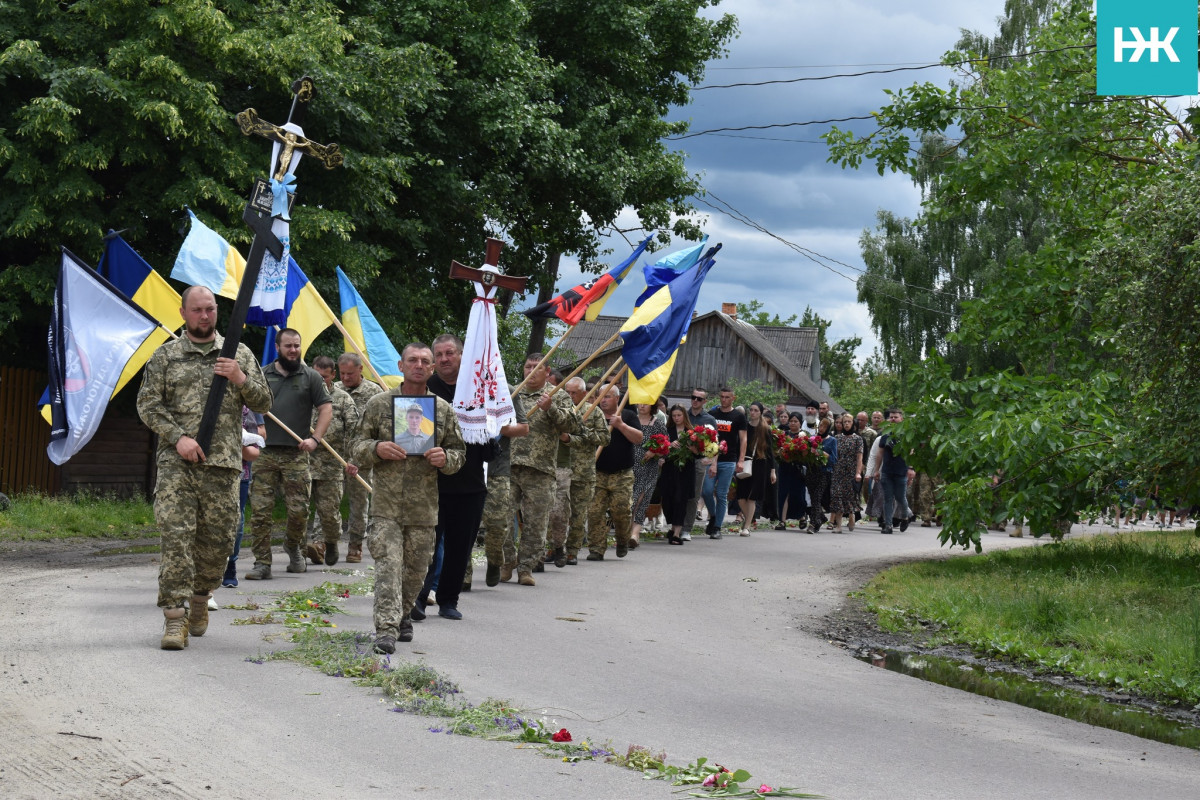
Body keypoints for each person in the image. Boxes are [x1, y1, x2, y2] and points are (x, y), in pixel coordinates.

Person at [136, 286, 271, 650]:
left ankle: (200, 596)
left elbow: (265, 400)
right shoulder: (165, 356)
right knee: (177, 537)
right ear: (183, 313)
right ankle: (175, 618)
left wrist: (240, 378)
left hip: (223, 464)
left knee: (219, 542)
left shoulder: (237, 353)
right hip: (177, 464)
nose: (205, 316)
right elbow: (148, 405)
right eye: (197, 310)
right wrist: (178, 436)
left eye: (210, 309)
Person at [352, 343, 465, 652]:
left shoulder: (442, 409)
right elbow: (356, 445)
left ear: (432, 369)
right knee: (389, 566)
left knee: (416, 572)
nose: (419, 365)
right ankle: (386, 629)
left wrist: (446, 458)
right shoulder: (378, 404)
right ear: (400, 366)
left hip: (424, 508)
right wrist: (376, 449)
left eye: (425, 361)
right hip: (386, 504)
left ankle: (402, 615)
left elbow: (459, 453)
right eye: (412, 360)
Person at [245, 328, 332, 579]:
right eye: (288, 346)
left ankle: (293, 546)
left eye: (297, 346)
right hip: (264, 454)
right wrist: (255, 428)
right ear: (278, 348)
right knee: (261, 511)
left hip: (296, 453)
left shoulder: (311, 376)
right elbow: (246, 405)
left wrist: (315, 439)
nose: (293, 351)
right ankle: (262, 562)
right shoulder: (261, 375)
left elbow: (326, 409)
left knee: (299, 510)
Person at [419, 333, 492, 619]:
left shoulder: (478, 389)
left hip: (470, 481)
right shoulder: (424, 390)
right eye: (439, 355)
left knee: (460, 546)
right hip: (430, 482)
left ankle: (449, 600)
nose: (444, 359)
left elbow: (501, 428)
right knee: (425, 545)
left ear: (462, 355)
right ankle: (419, 598)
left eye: (450, 353)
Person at [509, 353, 579, 585]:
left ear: (547, 372)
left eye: (536, 367)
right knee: (501, 519)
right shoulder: (511, 393)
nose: (531, 370)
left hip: (540, 469)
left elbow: (572, 425)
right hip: (508, 466)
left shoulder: (557, 395)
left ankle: (526, 568)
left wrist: (551, 409)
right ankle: (506, 561)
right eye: (527, 366)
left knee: (536, 523)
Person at [305, 355, 360, 567]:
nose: (320, 381)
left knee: (329, 512)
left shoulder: (343, 399)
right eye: (316, 376)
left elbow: (354, 431)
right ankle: (298, 552)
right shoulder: (303, 395)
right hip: (303, 462)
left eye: (324, 377)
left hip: (331, 464)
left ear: (332, 376)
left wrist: (352, 459)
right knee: (298, 510)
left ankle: (331, 541)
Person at [335, 353, 384, 563]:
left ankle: (355, 545)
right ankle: (323, 542)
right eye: (342, 373)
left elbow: (381, 426)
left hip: (362, 458)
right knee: (329, 500)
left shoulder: (374, 392)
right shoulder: (333, 390)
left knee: (359, 502)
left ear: (360, 369)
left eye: (350, 373)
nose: (345, 378)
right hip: (334, 456)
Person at [587, 385, 643, 559]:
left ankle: (622, 540)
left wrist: (621, 425)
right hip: (597, 473)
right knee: (595, 512)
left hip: (622, 474)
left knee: (621, 511)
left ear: (617, 399)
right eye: (601, 396)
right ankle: (596, 549)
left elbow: (638, 438)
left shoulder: (628, 416)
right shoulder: (593, 415)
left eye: (608, 396)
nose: (603, 400)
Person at [562, 379, 611, 563]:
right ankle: (554, 547)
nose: (570, 396)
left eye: (574, 393)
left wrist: (583, 432)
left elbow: (605, 438)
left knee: (578, 514)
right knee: (557, 513)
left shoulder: (594, 412)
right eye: (567, 392)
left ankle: (572, 551)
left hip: (582, 472)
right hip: (560, 469)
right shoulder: (561, 411)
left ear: (584, 394)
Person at [222, 407, 265, 589]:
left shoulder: (245, 409)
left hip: (239, 474)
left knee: (236, 521)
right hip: (205, 472)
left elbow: (255, 452)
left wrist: (238, 442)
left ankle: (230, 564)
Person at [701, 387, 747, 539]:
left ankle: (717, 527)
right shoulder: (712, 414)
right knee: (706, 491)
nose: (724, 399)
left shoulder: (738, 416)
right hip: (710, 458)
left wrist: (741, 460)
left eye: (727, 397)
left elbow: (743, 439)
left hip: (728, 460)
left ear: (733, 398)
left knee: (721, 494)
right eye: (722, 397)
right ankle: (713, 515)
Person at [629, 402, 667, 547]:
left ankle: (635, 533)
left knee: (640, 500)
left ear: (653, 406)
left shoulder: (657, 424)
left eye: (646, 404)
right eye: (641, 403)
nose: (642, 406)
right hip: (629, 466)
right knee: (629, 501)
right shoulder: (631, 420)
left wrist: (654, 452)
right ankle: (628, 532)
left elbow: (666, 447)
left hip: (647, 468)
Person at [736, 401, 776, 536]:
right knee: (741, 497)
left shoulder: (765, 429)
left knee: (752, 497)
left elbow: (770, 452)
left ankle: (746, 527)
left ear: (760, 413)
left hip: (760, 464)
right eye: (751, 410)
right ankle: (749, 519)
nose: (752, 413)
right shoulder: (744, 426)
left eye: (755, 410)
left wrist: (773, 471)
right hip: (744, 462)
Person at [874, 407, 915, 534]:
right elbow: (879, 453)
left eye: (895, 417)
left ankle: (904, 517)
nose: (893, 419)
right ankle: (888, 525)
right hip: (887, 471)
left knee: (900, 497)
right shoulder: (885, 434)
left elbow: (912, 452)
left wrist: (910, 469)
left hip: (901, 471)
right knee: (888, 498)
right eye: (891, 417)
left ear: (901, 418)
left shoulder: (906, 433)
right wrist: (876, 470)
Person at [683, 389, 718, 539]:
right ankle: (676, 525)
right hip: (682, 460)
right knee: (677, 495)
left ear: (704, 402)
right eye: (693, 397)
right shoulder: (683, 415)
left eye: (699, 399)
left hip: (699, 462)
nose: (695, 401)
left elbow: (715, 444)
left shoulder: (709, 419)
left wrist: (713, 463)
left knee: (693, 496)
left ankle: (686, 529)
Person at [660, 404, 697, 544]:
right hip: (669, 470)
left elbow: (699, 454)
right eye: (674, 416)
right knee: (668, 500)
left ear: (684, 416)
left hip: (685, 471)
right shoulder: (667, 430)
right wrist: (669, 445)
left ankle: (676, 533)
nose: (676, 418)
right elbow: (660, 449)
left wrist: (693, 449)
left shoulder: (692, 432)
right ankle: (673, 526)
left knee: (680, 500)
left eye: (679, 415)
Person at [829, 413, 864, 533]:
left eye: (849, 421)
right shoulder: (837, 438)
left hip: (851, 471)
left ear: (853, 423)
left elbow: (860, 458)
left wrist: (858, 473)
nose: (847, 424)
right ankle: (838, 526)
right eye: (845, 422)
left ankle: (851, 515)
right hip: (838, 470)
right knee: (837, 495)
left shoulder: (858, 439)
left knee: (849, 497)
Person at [774, 412, 807, 529]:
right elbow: (776, 450)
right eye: (791, 421)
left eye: (795, 421)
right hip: (784, 467)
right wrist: (781, 453)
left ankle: (802, 517)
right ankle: (782, 521)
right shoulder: (784, 435)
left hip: (797, 469)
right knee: (783, 494)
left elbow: (806, 454)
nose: (793, 423)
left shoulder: (803, 435)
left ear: (800, 423)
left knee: (798, 494)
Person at [804, 417, 835, 534]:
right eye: (820, 425)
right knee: (813, 498)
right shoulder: (813, 439)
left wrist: (822, 454)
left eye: (824, 426)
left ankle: (813, 524)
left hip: (824, 472)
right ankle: (820, 518)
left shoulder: (832, 440)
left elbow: (834, 459)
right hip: (811, 471)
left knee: (817, 497)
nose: (821, 428)